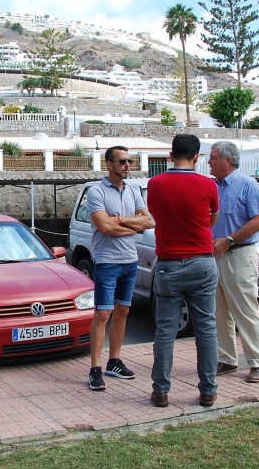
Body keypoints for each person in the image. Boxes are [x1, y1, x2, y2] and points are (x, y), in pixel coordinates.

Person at [147, 134, 220, 408]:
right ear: (197, 156)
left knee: (165, 330)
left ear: (170, 154)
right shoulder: (208, 184)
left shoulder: (155, 184)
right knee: (206, 328)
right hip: (202, 260)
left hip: (169, 264)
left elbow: (156, 215)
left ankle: (161, 390)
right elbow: (212, 217)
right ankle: (208, 390)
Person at [86, 145, 153, 391]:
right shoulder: (97, 191)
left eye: (129, 161)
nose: (127, 165)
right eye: (122, 161)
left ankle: (113, 361)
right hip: (107, 261)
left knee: (123, 312)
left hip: (129, 260)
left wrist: (123, 220)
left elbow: (148, 221)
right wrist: (133, 226)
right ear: (109, 165)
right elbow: (105, 228)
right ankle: (95, 368)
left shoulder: (134, 190)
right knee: (103, 314)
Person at [208, 140, 259, 383]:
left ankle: (257, 362)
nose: (209, 162)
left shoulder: (247, 184)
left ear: (227, 160)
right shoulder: (213, 187)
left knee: (245, 309)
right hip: (215, 256)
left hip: (239, 254)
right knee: (219, 310)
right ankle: (227, 359)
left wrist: (229, 240)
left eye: (213, 158)